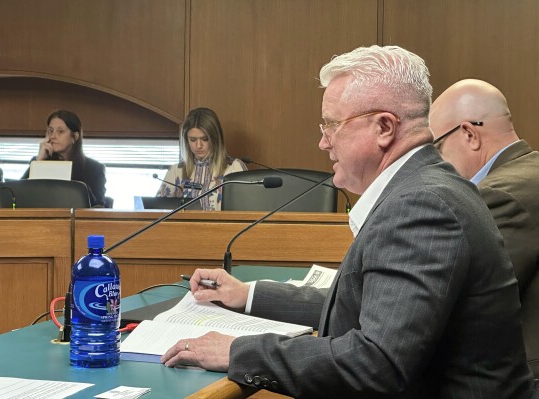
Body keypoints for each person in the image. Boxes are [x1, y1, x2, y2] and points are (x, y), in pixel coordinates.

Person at [160, 46, 534, 398]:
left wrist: (240, 351)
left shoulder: (422, 205)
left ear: (384, 128)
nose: (323, 143)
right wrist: (250, 295)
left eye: (331, 125)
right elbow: (368, 304)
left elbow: (377, 362)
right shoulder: (423, 188)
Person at [430, 78, 539, 377]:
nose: (437, 161)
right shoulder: (530, 173)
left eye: (437, 146)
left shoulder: (499, 194)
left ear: (469, 134)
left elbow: (466, 302)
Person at [156, 107, 246, 210]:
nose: (198, 145)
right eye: (193, 140)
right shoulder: (176, 171)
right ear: (186, 140)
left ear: (215, 138)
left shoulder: (234, 168)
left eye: (205, 139)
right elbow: (158, 211)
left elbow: (246, 208)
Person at [21, 109, 106, 207]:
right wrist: (39, 161)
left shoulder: (94, 168)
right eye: (50, 131)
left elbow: (99, 207)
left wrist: (79, 189)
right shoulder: (38, 162)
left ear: (75, 136)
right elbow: (17, 196)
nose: (53, 136)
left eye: (60, 131)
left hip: (78, 220)